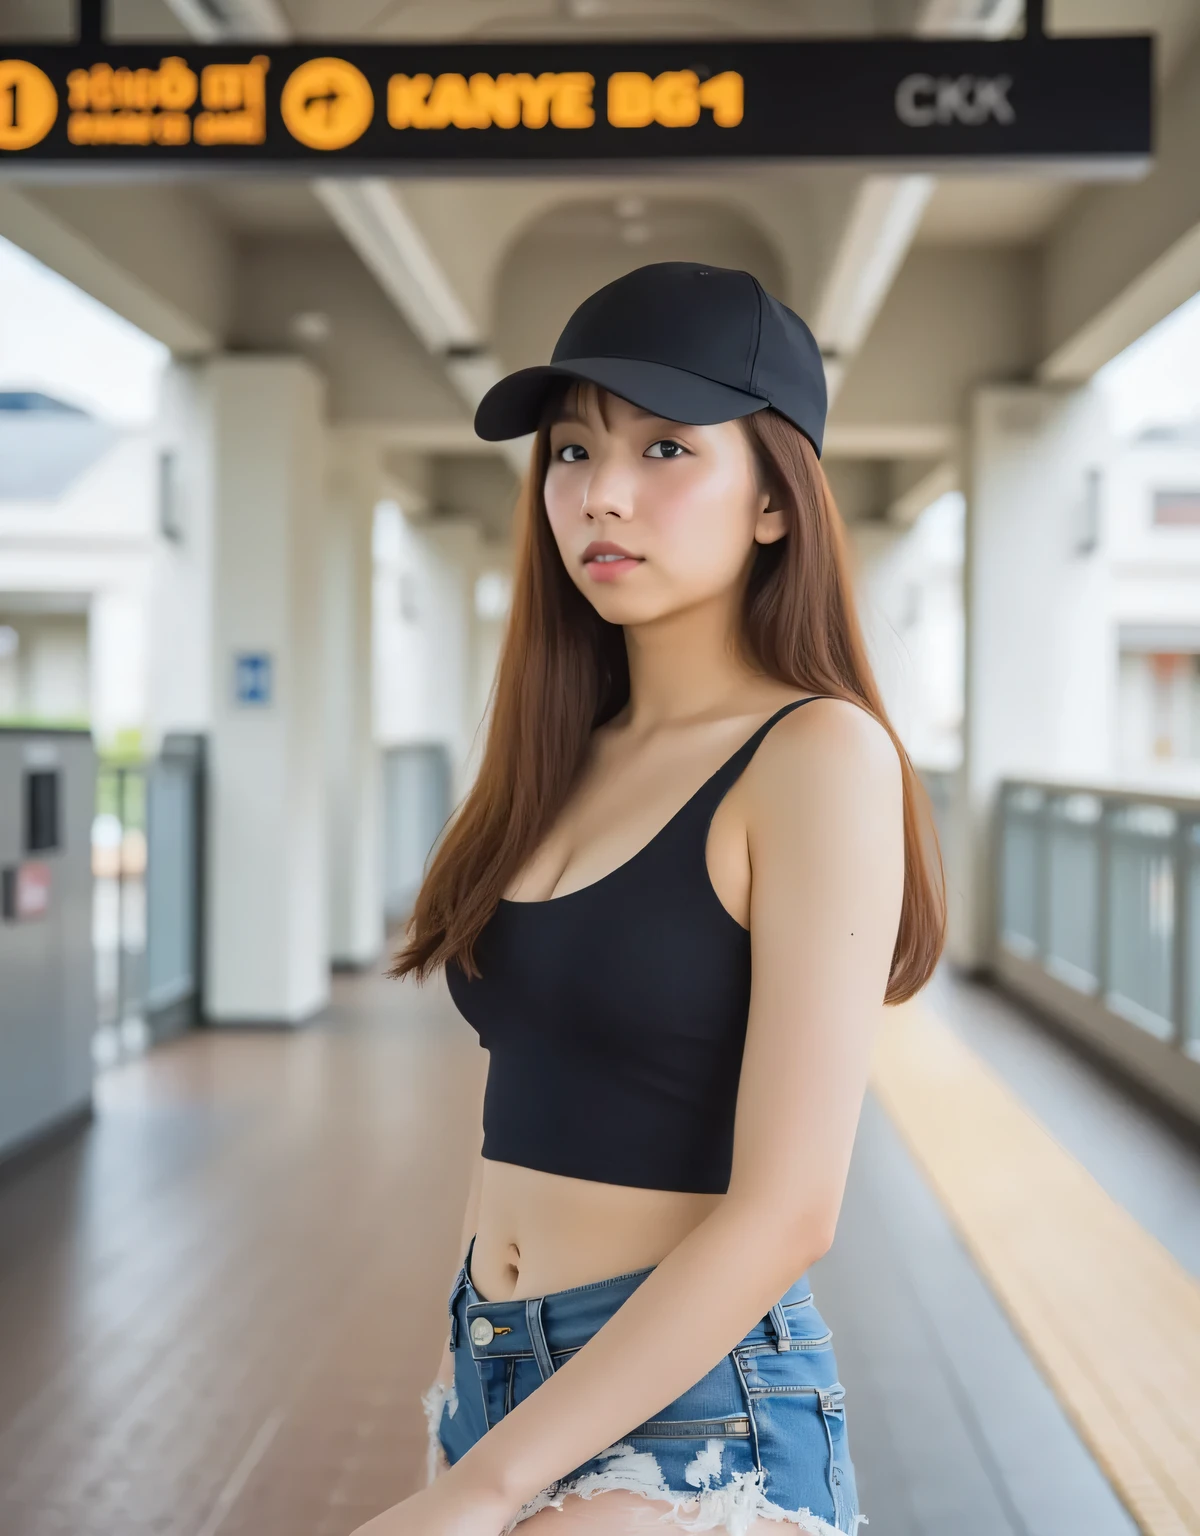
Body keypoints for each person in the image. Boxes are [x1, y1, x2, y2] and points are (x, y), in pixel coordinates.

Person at [362, 261, 945, 1536]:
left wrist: (489, 1488)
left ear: (777, 503)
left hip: (694, 1420)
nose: (600, 494)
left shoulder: (816, 755)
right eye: (571, 450)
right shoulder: (564, 752)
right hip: (492, 1376)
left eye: (665, 446)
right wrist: (482, 1431)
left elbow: (792, 1207)